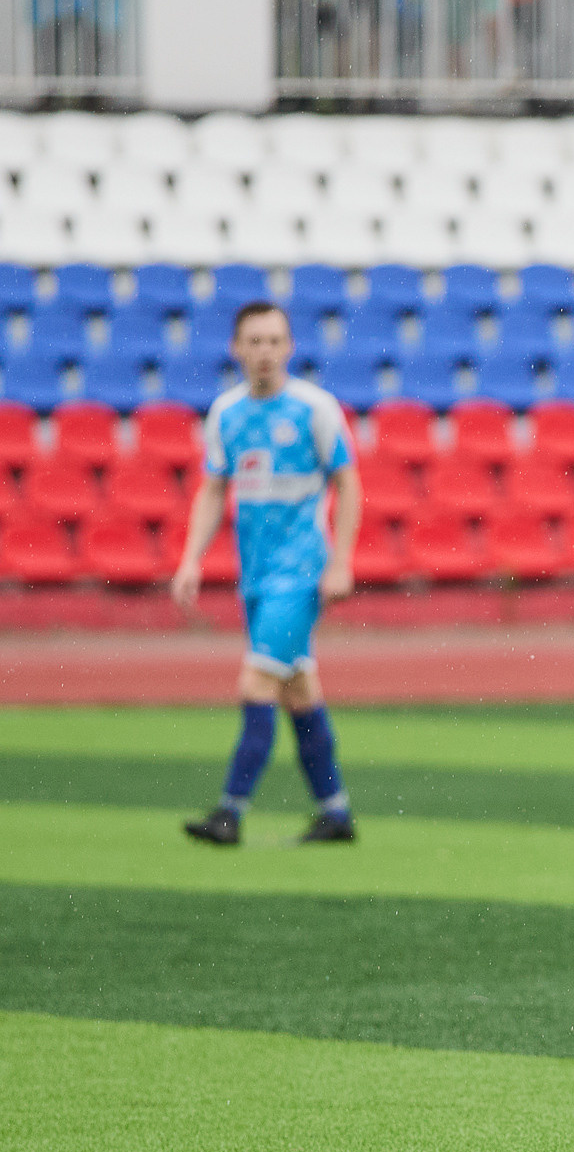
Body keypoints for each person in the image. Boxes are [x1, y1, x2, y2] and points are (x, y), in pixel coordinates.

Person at [171, 303, 363, 848]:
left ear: (290, 347)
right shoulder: (227, 413)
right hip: (254, 576)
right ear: (236, 348)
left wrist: (341, 561)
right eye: (254, 341)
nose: (265, 352)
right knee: (298, 691)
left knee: (257, 683)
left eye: (275, 341)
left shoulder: (314, 408)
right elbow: (214, 488)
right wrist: (191, 558)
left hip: (300, 572)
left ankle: (229, 813)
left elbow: (348, 482)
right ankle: (335, 812)